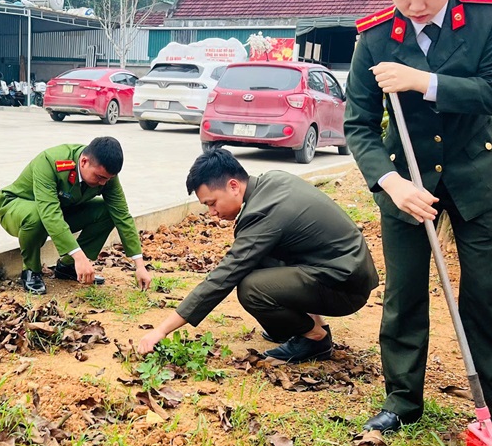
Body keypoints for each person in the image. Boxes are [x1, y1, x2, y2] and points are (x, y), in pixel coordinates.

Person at [343, 0, 492, 446]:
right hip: (407, 184)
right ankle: (401, 401)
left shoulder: (485, 18)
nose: (418, 5)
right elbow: (358, 125)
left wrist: (420, 81)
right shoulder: (375, 36)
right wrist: (390, 183)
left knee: (487, 296)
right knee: (403, 295)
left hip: (477, 179)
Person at [136, 149, 379, 361]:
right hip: (345, 271)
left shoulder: (263, 213)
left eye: (212, 203)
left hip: (345, 287)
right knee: (256, 259)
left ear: (233, 185)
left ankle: (314, 337)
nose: (212, 212)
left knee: (251, 288)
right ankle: (310, 324)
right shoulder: (271, 182)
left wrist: (162, 330)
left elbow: (223, 278)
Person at [0, 136, 152, 295]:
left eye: (108, 179)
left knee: (107, 212)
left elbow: (122, 215)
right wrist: (79, 255)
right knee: (37, 215)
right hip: (15, 207)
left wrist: (139, 265)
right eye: (100, 177)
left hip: (59, 210)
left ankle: (67, 267)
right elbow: (49, 212)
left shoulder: (104, 174)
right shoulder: (50, 162)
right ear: (84, 162)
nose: (104, 183)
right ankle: (31, 270)